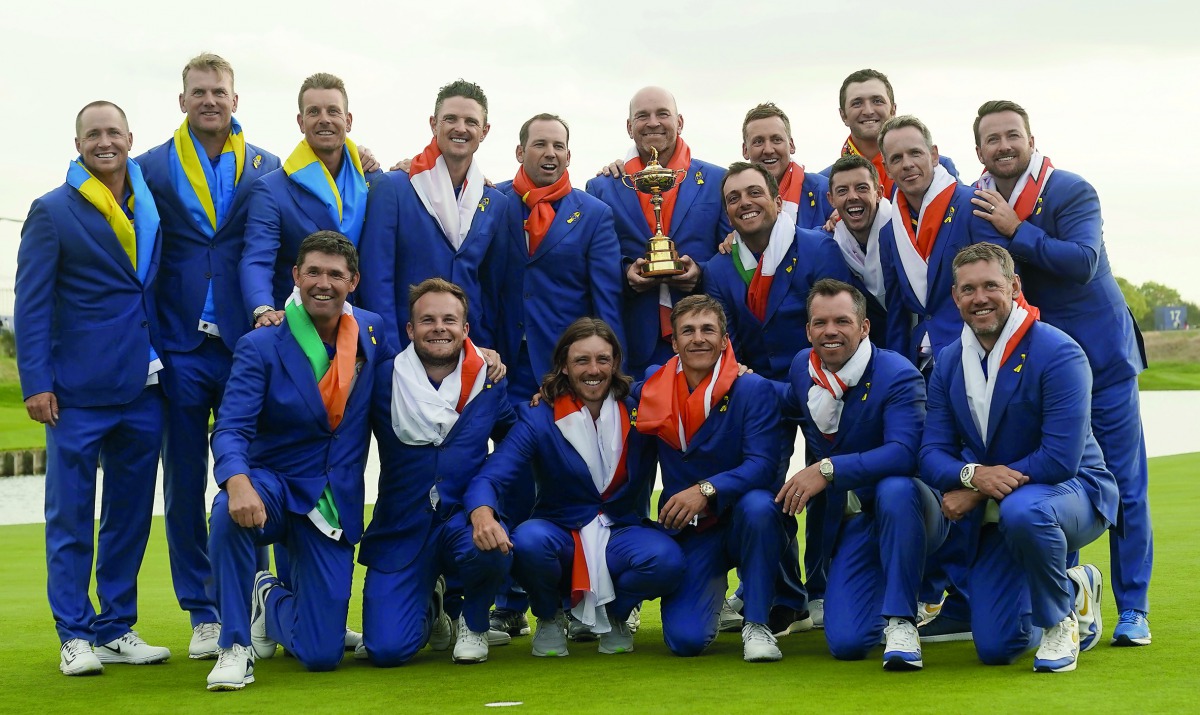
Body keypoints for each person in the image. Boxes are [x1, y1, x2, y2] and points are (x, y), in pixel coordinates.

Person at [969, 100, 1152, 646]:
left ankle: (1134, 608)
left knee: (1124, 485)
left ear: (1031, 140)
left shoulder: (1070, 190)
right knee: (1050, 480)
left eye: (1012, 135)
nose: (1004, 146)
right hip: (1037, 370)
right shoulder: (978, 200)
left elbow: (1082, 262)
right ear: (979, 150)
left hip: (1102, 360)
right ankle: (1073, 592)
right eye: (992, 139)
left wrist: (1017, 229)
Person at [16, 100, 171, 675]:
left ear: (129, 138)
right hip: (75, 391)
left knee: (129, 517)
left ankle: (115, 628)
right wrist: (36, 382)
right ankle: (74, 634)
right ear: (78, 143)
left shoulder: (149, 200)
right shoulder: (52, 210)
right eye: (93, 134)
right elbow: (31, 305)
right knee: (71, 517)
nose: (104, 142)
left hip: (143, 385)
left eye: (113, 132)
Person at [136, 53, 281, 658]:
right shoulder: (151, 167)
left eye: (219, 91)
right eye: (198, 92)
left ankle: (258, 600)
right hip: (181, 346)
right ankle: (202, 611)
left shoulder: (268, 165)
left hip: (247, 346)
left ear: (235, 100)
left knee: (256, 473)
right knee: (185, 480)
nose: (209, 101)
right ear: (182, 101)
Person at [205, 231, 390, 690]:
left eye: (335, 274)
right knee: (226, 512)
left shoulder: (373, 331)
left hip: (330, 499)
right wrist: (236, 482)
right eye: (313, 272)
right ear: (296, 276)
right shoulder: (261, 344)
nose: (323, 283)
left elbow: (418, 366)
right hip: (271, 486)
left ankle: (267, 599)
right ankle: (234, 646)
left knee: (322, 654)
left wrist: (480, 355)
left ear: (353, 281)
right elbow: (230, 428)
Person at [919, 242, 1116, 673]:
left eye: (991, 285)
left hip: (1073, 492)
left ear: (1014, 286)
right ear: (955, 296)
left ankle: (1060, 622)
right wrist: (973, 476)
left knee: (1024, 511)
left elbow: (1059, 460)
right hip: (1003, 506)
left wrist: (977, 490)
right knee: (997, 647)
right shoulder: (949, 362)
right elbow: (931, 453)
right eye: (968, 289)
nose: (980, 298)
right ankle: (1075, 587)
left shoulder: (1059, 352)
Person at [467, 318, 685, 657]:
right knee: (528, 541)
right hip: (560, 531)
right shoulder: (538, 416)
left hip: (618, 531)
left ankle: (615, 614)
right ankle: (549, 615)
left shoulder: (640, 408)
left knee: (666, 559)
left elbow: (681, 379)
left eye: (602, 359)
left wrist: (737, 371)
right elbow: (492, 475)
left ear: (615, 363)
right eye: (582, 360)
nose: (593, 370)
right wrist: (482, 513)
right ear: (564, 366)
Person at [704, 161, 849, 635]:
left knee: (829, 483)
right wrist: (746, 381)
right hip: (759, 394)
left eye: (753, 193)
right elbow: (725, 340)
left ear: (776, 199)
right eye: (733, 198)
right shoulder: (719, 267)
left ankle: (825, 587)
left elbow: (839, 322)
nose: (744, 203)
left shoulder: (818, 248)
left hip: (821, 384)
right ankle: (785, 596)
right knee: (762, 487)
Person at [776, 279, 945, 670]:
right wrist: (735, 381)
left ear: (864, 326)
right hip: (858, 523)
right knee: (847, 644)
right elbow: (782, 402)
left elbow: (904, 453)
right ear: (808, 330)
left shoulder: (897, 373)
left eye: (842, 321)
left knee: (895, 488)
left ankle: (903, 620)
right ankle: (882, 595)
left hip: (914, 512)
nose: (830, 331)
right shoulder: (802, 368)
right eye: (820, 323)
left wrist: (828, 469)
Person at [359, 278, 514, 666]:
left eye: (449, 320)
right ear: (410, 330)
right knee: (387, 651)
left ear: (465, 329)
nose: (439, 328)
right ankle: (433, 603)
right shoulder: (382, 377)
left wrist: (487, 501)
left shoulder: (489, 379)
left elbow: (512, 440)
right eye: (427, 320)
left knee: (492, 545)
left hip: (463, 517)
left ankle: (473, 622)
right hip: (401, 526)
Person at [636, 295, 787, 662]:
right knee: (685, 642)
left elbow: (762, 465)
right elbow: (605, 388)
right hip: (693, 531)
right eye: (687, 331)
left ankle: (757, 622)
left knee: (759, 506)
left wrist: (706, 490)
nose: (698, 338)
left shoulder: (751, 388)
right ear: (674, 342)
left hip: (742, 521)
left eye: (708, 330)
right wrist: (553, 391)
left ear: (724, 340)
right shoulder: (652, 386)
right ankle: (713, 597)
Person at [585, 86, 730, 374]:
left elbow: (729, 251)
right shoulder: (603, 187)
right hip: (633, 337)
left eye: (662, 114)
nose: (653, 123)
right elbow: (593, 264)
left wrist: (701, 271)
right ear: (629, 127)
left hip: (702, 338)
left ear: (680, 122)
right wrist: (626, 272)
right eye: (643, 116)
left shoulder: (718, 180)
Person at [358, 78, 507, 350]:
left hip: (468, 348)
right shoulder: (394, 187)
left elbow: (491, 288)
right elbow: (376, 279)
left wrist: (483, 349)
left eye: (471, 122)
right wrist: (389, 352)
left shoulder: (495, 201)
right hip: (405, 345)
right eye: (450, 119)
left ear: (484, 131)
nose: (460, 128)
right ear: (433, 124)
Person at [240, 73, 380, 328]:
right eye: (314, 111)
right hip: (297, 324)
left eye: (333, 111)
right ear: (301, 122)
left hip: (359, 323)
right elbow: (257, 258)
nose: (324, 119)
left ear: (348, 121)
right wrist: (262, 308)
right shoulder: (272, 188)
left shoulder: (372, 179)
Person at [876, 115, 980, 372]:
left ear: (934, 155)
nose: (907, 164)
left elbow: (1004, 285)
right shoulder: (889, 233)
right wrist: (899, 371)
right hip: (925, 362)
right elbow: (897, 313)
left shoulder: (973, 205)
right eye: (896, 158)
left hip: (978, 350)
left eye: (915, 153)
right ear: (887, 169)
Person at [825, 68, 959, 193]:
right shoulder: (825, 183)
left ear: (893, 110)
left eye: (877, 101)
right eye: (857, 103)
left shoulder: (936, 167)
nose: (868, 111)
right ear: (843, 115)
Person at [826, 155, 891, 344]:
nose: (853, 196)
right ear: (831, 199)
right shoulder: (830, 242)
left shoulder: (904, 230)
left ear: (879, 193)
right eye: (842, 191)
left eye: (862, 188)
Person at [740, 102, 833, 230]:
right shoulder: (736, 201)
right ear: (745, 150)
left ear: (791, 145)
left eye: (776, 140)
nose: (768, 150)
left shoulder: (824, 191)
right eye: (758, 142)